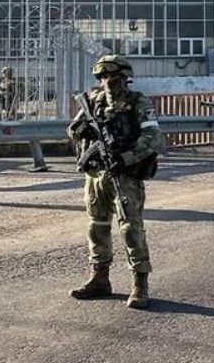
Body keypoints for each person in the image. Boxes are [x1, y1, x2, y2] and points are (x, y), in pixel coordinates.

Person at [67, 54, 162, 310]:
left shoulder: (138, 102)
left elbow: (153, 137)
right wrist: (81, 131)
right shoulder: (94, 101)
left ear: (125, 77)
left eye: (113, 76)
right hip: (97, 174)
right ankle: (99, 278)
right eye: (104, 76)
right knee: (96, 225)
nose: (108, 81)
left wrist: (126, 158)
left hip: (125, 174)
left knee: (130, 227)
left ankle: (140, 283)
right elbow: (73, 129)